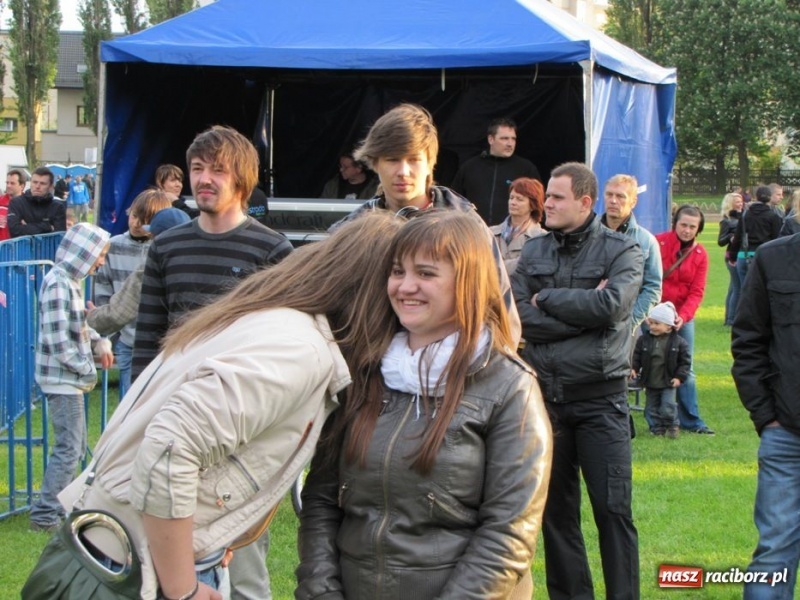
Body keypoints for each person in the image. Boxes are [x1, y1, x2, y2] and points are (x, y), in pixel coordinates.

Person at [54, 213, 405, 600]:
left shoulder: (270, 318)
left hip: (125, 544)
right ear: (372, 293)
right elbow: (172, 445)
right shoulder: (299, 350)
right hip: (137, 564)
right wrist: (182, 586)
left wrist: (215, 533)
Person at [296, 210, 552, 600]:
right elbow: (321, 502)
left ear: (467, 283)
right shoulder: (362, 373)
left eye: (426, 273)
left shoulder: (509, 387)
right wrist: (321, 593)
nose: (404, 286)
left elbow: (508, 534)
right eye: (397, 271)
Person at [131, 125, 294, 600]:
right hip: (174, 417)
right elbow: (149, 340)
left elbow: (281, 348)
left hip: (242, 426)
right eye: (197, 169)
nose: (204, 179)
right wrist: (139, 413)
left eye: (217, 170)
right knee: (168, 554)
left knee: (243, 561)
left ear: (241, 180)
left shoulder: (272, 250)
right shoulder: (166, 247)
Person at [512, 161, 643, 599]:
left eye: (556, 197)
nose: (545, 203)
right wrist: (581, 315)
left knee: (613, 512)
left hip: (601, 403)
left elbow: (611, 307)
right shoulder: (534, 251)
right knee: (555, 515)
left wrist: (546, 298)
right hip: (545, 403)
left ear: (585, 202)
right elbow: (517, 316)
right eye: (546, 195)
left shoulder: (623, 251)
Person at [330, 103, 520, 344]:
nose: (403, 171)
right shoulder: (349, 234)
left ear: (430, 162)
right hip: (371, 371)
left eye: (413, 159)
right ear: (374, 163)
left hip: (453, 371)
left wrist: (493, 373)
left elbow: (500, 312)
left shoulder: (468, 226)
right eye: (392, 159)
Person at [28, 223, 114, 532]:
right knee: (69, 449)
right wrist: (88, 366)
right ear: (83, 252)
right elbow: (58, 340)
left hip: (68, 379)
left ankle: (55, 509)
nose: (101, 262)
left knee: (73, 447)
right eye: (99, 255)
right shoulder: (58, 283)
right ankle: (46, 515)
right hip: (62, 380)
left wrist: (97, 340)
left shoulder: (70, 282)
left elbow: (76, 327)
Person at [731, 233, 800, 599]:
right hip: (787, 433)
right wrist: (766, 416)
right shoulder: (773, 258)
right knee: (775, 550)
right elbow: (748, 340)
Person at [93, 190, 174, 399]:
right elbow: (103, 289)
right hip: (127, 339)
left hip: (162, 340)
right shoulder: (113, 245)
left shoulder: (161, 249)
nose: (137, 223)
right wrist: (109, 335)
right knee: (131, 403)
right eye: (134, 215)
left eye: (144, 220)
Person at [88, 208, 192, 344]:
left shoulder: (153, 266)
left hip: (155, 344)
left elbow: (120, 313)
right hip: (195, 344)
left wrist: (92, 318)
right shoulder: (201, 260)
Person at [655, 205, 715, 435]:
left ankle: (692, 420)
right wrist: (658, 314)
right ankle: (657, 418)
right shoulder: (658, 243)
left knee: (685, 368)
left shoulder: (700, 255)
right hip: (655, 314)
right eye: (683, 225)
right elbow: (650, 279)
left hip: (682, 315)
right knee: (651, 364)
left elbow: (697, 291)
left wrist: (683, 317)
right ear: (675, 224)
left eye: (692, 226)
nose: (687, 230)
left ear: (698, 229)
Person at [601, 173, 663, 330]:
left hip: (625, 329)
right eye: (609, 194)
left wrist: (630, 323)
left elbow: (653, 287)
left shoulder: (646, 241)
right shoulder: (588, 234)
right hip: (587, 325)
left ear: (633, 201)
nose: (613, 200)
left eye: (620, 196)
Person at [451, 117, 541, 226]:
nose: (510, 143)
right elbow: (453, 203)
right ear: (491, 139)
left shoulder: (526, 169)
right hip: (474, 235)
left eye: (513, 139)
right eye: (504, 138)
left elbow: (539, 205)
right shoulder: (469, 168)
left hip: (513, 236)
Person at [631, 301, 691, 439]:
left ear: (669, 326)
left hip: (668, 381)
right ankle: (656, 429)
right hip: (650, 381)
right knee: (650, 409)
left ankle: (672, 426)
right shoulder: (644, 340)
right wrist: (634, 368)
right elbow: (637, 355)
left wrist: (679, 377)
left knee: (667, 406)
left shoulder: (679, 343)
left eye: (657, 324)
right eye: (651, 323)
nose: (652, 326)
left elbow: (685, 362)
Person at [729, 185, 782, 292]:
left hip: (743, 255)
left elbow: (738, 236)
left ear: (756, 197)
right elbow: (776, 240)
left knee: (743, 292)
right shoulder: (773, 217)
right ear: (769, 197)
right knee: (760, 294)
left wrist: (732, 256)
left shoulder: (746, 215)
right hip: (762, 257)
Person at [489, 177, 545, 273]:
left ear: (533, 205)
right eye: (511, 198)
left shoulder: (541, 238)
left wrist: (494, 266)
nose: (513, 202)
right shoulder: (490, 232)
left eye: (519, 199)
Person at [7, 167, 66, 237]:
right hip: (24, 247)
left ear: (50, 186)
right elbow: (15, 230)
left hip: (47, 247)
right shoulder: (16, 203)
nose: (37, 186)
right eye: (35, 182)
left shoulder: (57, 207)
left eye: (43, 183)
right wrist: (47, 227)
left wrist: (27, 228)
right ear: (30, 182)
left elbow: (59, 236)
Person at [718, 192, 744, 326]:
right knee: (737, 287)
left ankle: (729, 317)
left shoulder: (743, 217)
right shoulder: (727, 220)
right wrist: (730, 237)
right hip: (731, 257)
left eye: (741, 201)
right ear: (730, 203)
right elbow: (720, 241)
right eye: (737, 201)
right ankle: (731, 319)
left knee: (733, 288)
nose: (740, 203)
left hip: (739, 254)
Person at [0, 168, 27, 241]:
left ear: (22, 186)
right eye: (7, 183)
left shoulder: (28, 204)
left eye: (12, 183)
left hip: (20, 248)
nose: (8, 186)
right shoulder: (1, 201)